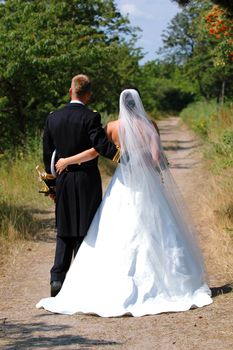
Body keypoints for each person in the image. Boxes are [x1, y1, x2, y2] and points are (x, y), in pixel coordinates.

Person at [37, 89, 212, 316]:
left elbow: (95, 151)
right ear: (138, 103)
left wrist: (68, 160)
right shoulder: (150, 125)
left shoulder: (112, 127)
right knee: (157, 229)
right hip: (146, 183)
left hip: (122, 182)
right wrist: (158, 167)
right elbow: (158, 157)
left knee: (114, 228)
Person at [42, 74, 117, 297]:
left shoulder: (53, 118)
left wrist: (51, 187)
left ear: (70, 91)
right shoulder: (91, 117)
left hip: (63, 178)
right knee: (85, 228)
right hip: (86, 179)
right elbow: (102, 146)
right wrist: (126, 158)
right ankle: (80, 280)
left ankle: (57, 279)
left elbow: (48, 155)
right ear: (88, 94)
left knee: (64, 229)